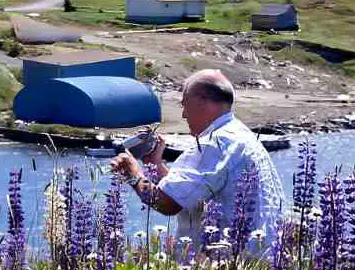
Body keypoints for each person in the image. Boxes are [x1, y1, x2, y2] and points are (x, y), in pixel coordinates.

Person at [110, 69, 285, 253]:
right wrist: (156, 164)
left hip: (228, 267)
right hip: (260, 258)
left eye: (185, 104)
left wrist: (133, 174)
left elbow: (167, 204)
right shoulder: (240, 135)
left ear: (203, 101)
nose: (184, 115)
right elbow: (188, 191)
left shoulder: (215, 143)